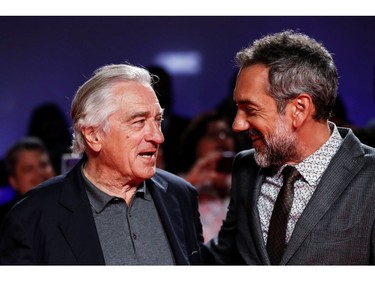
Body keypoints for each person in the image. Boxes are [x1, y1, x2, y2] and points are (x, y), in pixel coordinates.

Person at [0, 63, 203, 265]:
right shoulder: (32, 216)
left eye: (157, 121)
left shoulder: (180, 195)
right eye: (139, 122)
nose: (158, 137)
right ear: (93, 135)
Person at [202, 30, 375, 265]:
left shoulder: (370, 176)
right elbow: (220, 259)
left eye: (250, 110)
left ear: (300, 109)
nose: (237, 124)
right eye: (237, 109)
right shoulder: (245, 167)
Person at [178, 111, 243, 242]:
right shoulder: (179, 183)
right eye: (212, 135)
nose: (222, 138)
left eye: (227, 134)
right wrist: (192, 180)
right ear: (195, 144)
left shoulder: (246, 185)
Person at [0, 137, 55, 225]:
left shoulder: (73, 205)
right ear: (14, 181)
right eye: (28, 169)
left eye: (43, 165)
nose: (39, 173)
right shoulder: (7, 221)